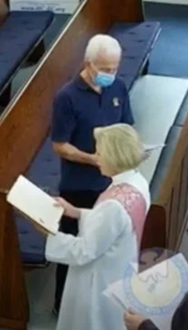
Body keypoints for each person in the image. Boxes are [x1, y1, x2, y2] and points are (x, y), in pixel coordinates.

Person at [51, 34, 135, 313]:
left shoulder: (119, 88)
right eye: (105, 69)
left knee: (104, 245)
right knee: (74, 246)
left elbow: (126, 128)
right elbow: (59, 145)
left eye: (115, 68)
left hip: (112, 181)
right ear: (89, 64)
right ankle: (61, 303)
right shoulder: (67, 97)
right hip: (79, 184)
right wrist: (93, 159)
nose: (111, 74)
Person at [42, 124, 150, 330]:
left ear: (114, 157)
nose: (96, 158)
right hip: (119, 269)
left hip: (97, 283)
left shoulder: (112, 205)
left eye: (100, 153)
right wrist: (76, 211)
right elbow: (114, 227)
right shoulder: (137, 182)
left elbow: (83, 251)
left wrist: (47, 233)